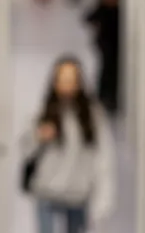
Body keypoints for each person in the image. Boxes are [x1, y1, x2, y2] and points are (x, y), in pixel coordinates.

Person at [20, 55, 116, 233]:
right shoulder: (42, 112)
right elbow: (25, 150)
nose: (67, 85)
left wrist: (103, 198)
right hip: (47, 192)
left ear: (79, 82)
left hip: (78, 195)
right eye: (63, 79)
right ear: (54, 82)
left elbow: (103, 157)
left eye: (71, 79)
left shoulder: (93, 115)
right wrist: (38, 136)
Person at [84, 0, 121, 116]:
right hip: (105, 44)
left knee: (113, 71)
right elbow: (88, 18)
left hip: (116, 45)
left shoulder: (119, 10)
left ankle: (111, 97)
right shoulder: (102, 8)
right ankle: (103, 96)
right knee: (106, 69)